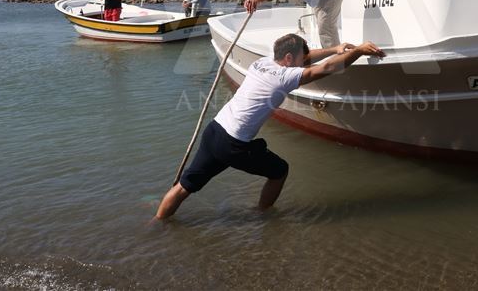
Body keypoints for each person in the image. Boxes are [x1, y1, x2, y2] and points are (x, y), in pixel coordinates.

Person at [155, 33, 385, 219]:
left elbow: (307, 58)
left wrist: (334, 49)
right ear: (287, 58)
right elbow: (322, 69)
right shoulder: (284, 76)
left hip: (215, 129)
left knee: (184, 187)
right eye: (298, 59)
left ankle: (157, 223)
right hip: (234, 144)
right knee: (279, 171)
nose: (302, 63)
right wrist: (357, 51)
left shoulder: (262, 62)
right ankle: (263, 215)